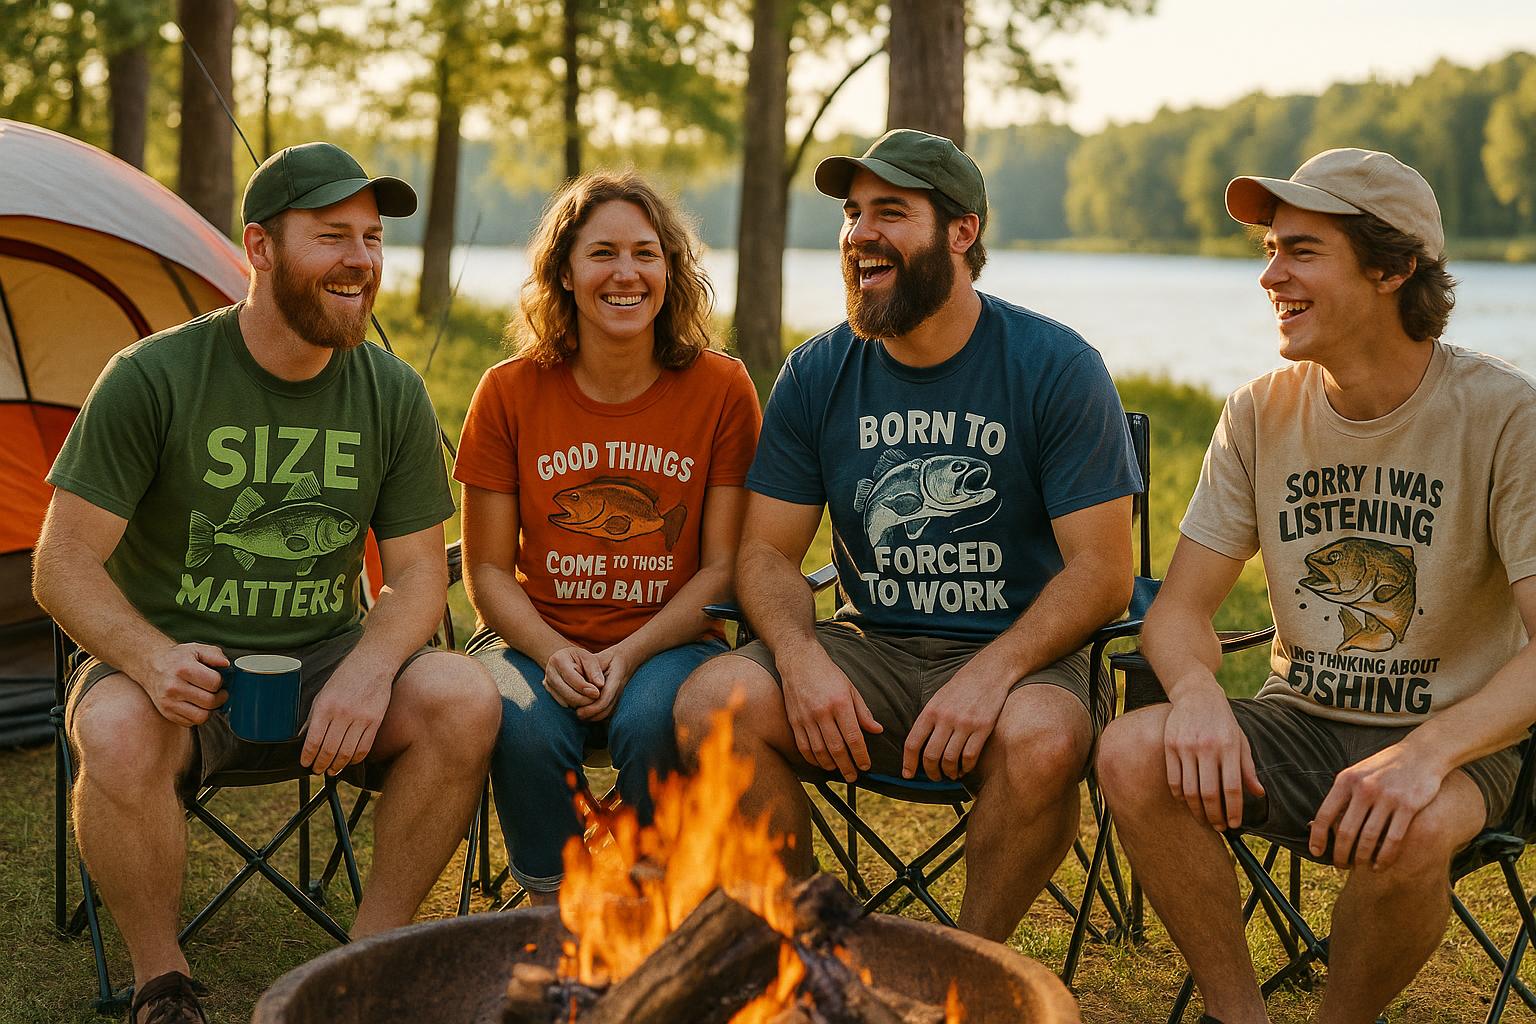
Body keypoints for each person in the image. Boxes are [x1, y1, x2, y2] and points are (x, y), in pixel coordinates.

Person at [32, 142, 501, 1024]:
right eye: (332, 236)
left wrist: (368, 666)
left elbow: (413, 578)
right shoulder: (154, 377)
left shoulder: (391, 391)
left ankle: (368, 966)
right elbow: (61, 563)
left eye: (371, 238)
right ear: (258, 248)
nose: (360, 260)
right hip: (175, 667)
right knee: (119, 730)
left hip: (324, 666)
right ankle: (161, 985)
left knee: (462, 694)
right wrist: (148, 654)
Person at [1097, 149, 1536, 1024]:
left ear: (1392, 266)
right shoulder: (1262, 410)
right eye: (1268, 249)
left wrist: (1423, 754)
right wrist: (1194, 693)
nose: (1270, 275)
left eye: (1300, 250)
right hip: (1301, 720)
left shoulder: (1504, 416)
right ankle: (1238, 1014)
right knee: (1131, 753)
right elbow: (1180, 610)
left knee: (1405, 827)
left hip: (1459, 740)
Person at [673, 129, 1141, 942]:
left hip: (1026, 655)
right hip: (873, 650)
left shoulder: (1056, 365)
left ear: (962, 232)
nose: (859, 235)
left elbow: (1102, 572)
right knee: (714, 701)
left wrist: (993, 671)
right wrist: (800, 655)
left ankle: (967, 965)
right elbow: (765, 554)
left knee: (1042, 738)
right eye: (853, 215)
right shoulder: (819, 372)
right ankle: (816, 953)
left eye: (891, 212)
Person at [454, 170, 761, 903]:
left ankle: (644, 890)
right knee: (524, 726)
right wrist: (554, 651)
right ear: (564, 271)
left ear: (670, 269)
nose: (626, 273)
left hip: (673, 639)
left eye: (646, 253)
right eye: (602, 253)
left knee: (657, 716)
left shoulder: (722, 389)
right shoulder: (507, 391)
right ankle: (552, 903)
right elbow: (488, 572)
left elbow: (721, 567)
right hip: (532, 636)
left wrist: (627, 654)